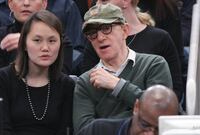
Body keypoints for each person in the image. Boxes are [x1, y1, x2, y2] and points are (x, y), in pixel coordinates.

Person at [73, 3, 173, 133]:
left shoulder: (154, 64)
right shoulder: (85, 82)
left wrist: (118, 86)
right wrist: (138, 120)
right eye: (92, 33)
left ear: (125, 31)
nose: (100, 38)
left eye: (106, 28)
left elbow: (161, 112)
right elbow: (84, 131)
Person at [0, 10, 75, 135]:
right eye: (37, 40)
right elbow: (0, 130)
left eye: (52, 41)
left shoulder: (67, 85)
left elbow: (66, 130)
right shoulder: (0, 79)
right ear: (24, 44)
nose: (45, 48)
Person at [81, 0, 183, 101]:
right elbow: (87, 90)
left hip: (151, 115)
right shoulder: (96, 41)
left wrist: (117, 85)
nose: (97, 4)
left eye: (104, 0)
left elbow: (172, 96)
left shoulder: (160, 40)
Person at [0, 0, 73, 84]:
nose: (26, 3)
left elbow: (60, 79)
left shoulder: (60, 40)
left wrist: (26, 42)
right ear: (10, 4)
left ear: (44, 4)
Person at [77, 85, 179, 135]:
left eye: (159, 129)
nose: (150, 134)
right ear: (136, 107)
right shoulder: (98, 130)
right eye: (144, 125)